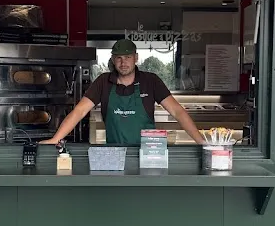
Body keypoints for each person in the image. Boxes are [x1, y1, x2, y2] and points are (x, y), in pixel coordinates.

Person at [41, 39, 206, 147]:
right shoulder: (103, 82)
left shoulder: (151, 81)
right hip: (114, 153)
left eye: (127, 57)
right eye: (119, 58)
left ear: (136, 58)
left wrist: (200, 142)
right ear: (113, 60)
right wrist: (56, 139)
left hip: (148, 153)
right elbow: (80, 111)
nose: (123, 62)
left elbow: (177, 111)